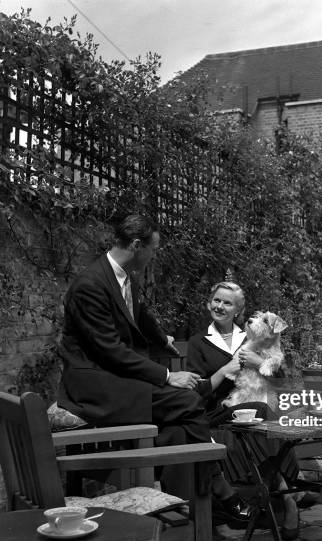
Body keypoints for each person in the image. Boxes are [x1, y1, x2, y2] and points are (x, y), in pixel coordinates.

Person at [57, 214, 248, 520]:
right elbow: (110, 350)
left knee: (176, 432)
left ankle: (180, 509)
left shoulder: (123, 276)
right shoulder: (89, 285)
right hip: (94, 383)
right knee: (187, 399)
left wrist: (163, 340)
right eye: (153, 249)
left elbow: (139, 314)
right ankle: (218, 485)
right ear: (136, 245)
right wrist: (167, 374)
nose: (154, 255)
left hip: (116, 376)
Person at [187, 281, 302, 540]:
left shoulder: (253, 337)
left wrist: (259, 361)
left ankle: (283, 493)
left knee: (262, 413)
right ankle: (289, 495)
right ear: (208, 303)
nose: (220, 306)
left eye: (227, 302)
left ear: (238, 309)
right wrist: (224, 371)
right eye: (216, 300)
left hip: (253, 410)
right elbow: (195, 392)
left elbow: (281, 379)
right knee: (263, 411)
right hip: (221, 411)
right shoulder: (198, 342)